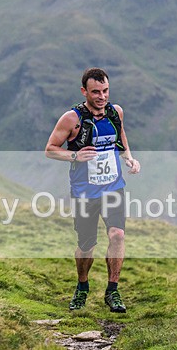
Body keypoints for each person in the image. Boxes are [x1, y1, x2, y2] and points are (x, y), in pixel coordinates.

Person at [45, 67, 141, 312]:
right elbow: (51, 149)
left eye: (105, 90)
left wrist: (129, 158)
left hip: (113, 187)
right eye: (96, 92)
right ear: (84, 91)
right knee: (87, 245)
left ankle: (112, 291)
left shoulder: (115, 112)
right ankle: (82, 286)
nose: (102, 96)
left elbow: (120, 137)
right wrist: (76, 155)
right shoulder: (72, 119)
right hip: (85, 191)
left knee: (117, 235)